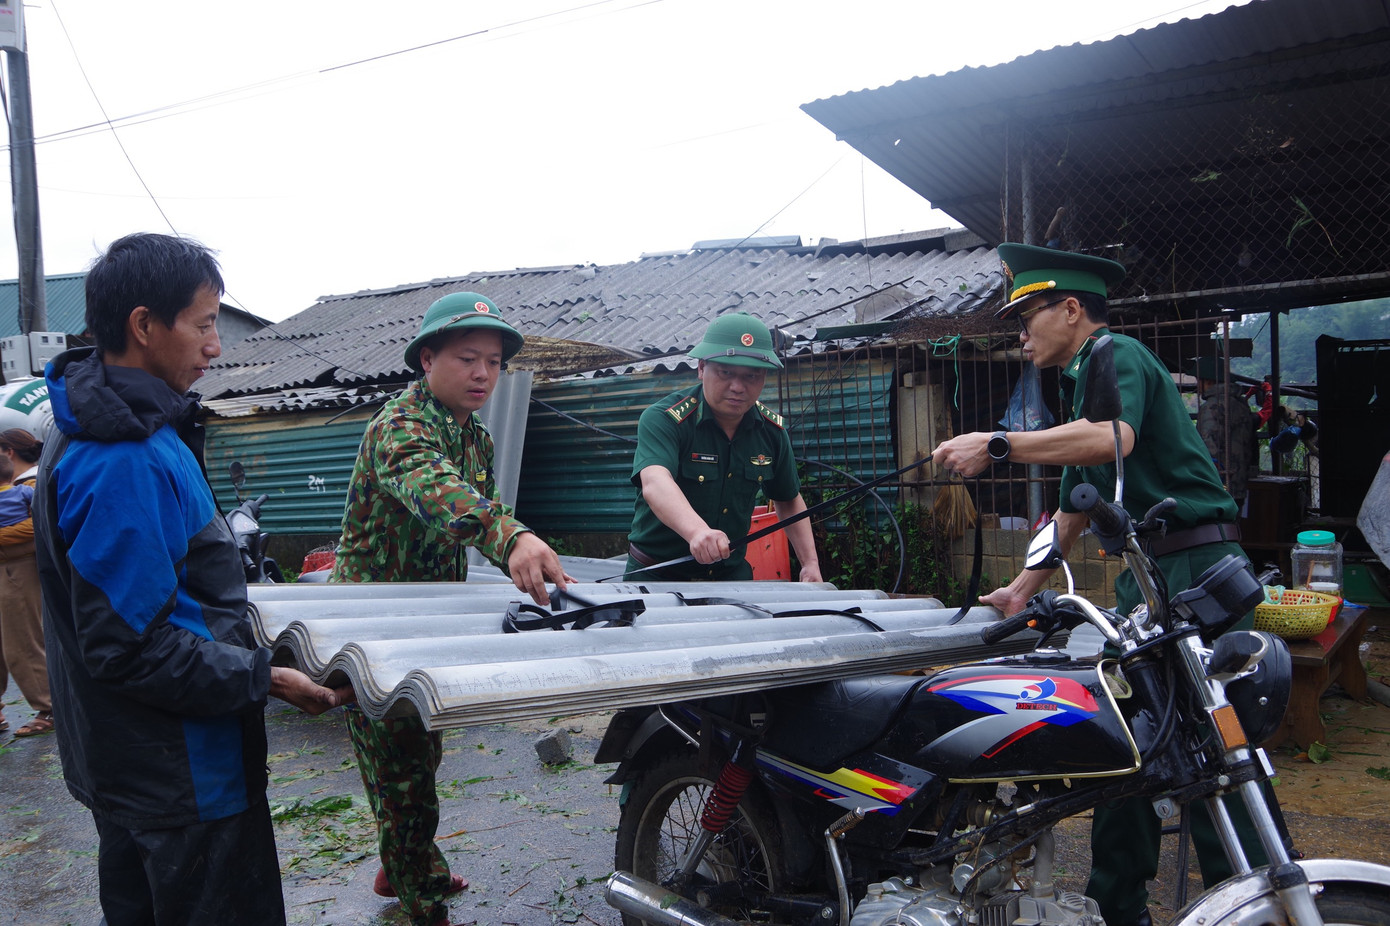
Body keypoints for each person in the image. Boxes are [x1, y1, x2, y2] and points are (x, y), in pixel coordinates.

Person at [931, 243, 1264, 926]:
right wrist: (1022, 589)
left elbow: (1116, 437)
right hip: (1155, 575)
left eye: (1028, 318)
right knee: (1132, 743)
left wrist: (997, 442)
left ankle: (1253, 899)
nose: (1021, 337)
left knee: (1201, 746)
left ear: (1072, 310)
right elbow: (1071, 508)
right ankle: (1120, 907)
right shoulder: (1085, 378)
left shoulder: (1114, 354)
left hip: (1191, 565)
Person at [33, 232, 352, 926]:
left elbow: (177, 600)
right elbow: (130, 646)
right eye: (205, 324)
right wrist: (264, 677)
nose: (215, 345)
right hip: (181, 782)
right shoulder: (121, 458)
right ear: (144, 326)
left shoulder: (109, 421)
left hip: (130, 771)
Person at [330, 291, 575, 926]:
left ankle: (401, 859)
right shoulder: (401, 427)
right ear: (427, 358)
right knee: (402, 768)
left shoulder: (476, 436)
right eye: (468, 358)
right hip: (375, 627)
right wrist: (510, 536)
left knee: (423, 752)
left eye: (494, 363)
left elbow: (480, 508)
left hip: (432, 617)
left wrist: (533, 568)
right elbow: (432, 487)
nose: (483, 375)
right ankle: (422, 898)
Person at [625, 312, 822, 582]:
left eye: (751, 376)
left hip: (729, 576)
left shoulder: (771, 431)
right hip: (657, 575)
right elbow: (655, 481)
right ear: (702, 368)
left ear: (763, 378)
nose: (738, 387)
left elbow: (787, 498)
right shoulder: (664, 419)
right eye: (726, 372)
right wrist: (697, 532)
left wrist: (810, 564)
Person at [0, 431, 51, 737]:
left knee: (23, 642)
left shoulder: (30, 486)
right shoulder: (20, 489)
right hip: (7, 570)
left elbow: (37, 526)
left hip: (16, 573)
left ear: (9, 453)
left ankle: (49, 708)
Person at [1190, 356, 1258, 510]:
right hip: (1239, 480)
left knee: (1217, 528)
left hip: (1218, 484)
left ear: (1208, 381)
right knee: (1234, 526)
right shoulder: (1240, 405)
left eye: (1198, 380)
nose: (1197, 385)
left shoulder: (1211, 408)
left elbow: (1208, 448)